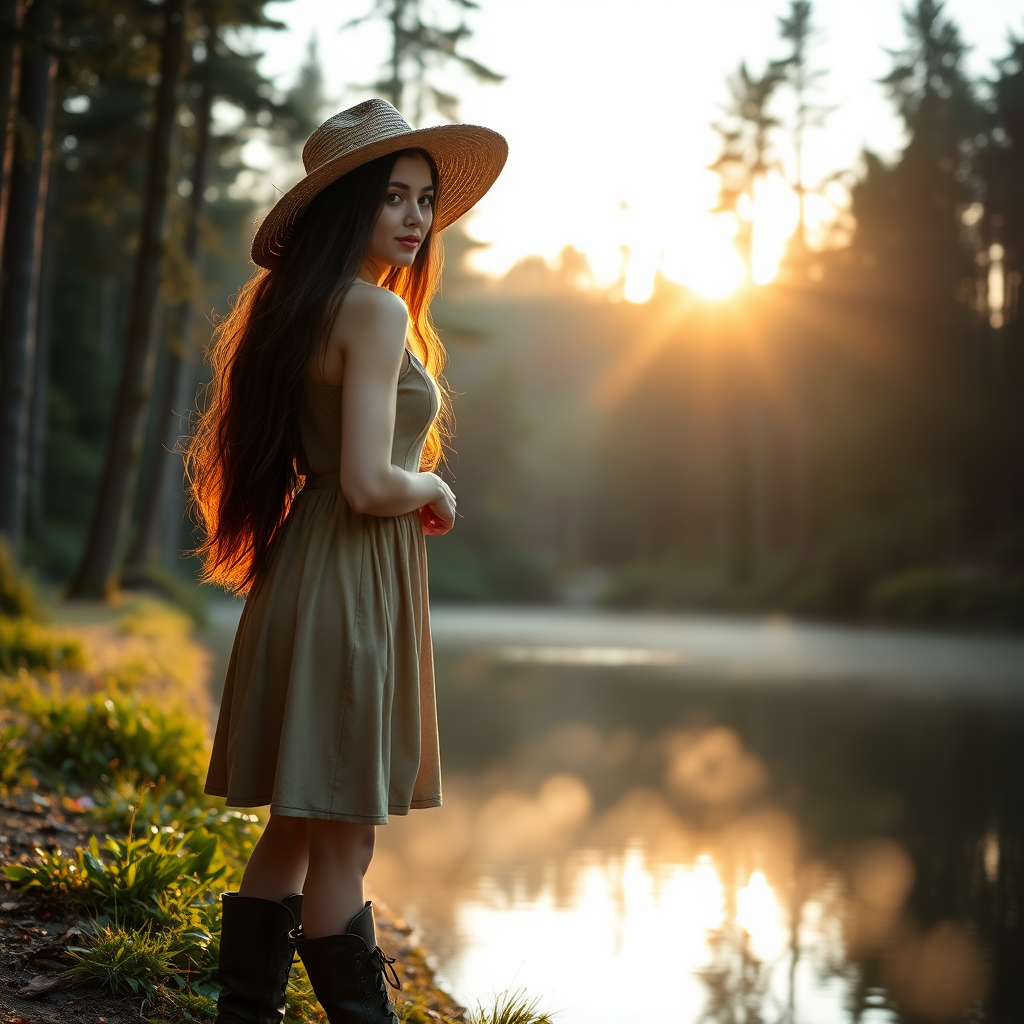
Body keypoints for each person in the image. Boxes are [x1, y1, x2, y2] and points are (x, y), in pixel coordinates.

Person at [186, 99, 507, 1024]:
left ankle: (244, 1010)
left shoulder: (304, 309)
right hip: (349, 577)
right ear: (346, 209)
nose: (414, 218)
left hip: (315, 571)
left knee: (297, 825)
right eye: (392, 198)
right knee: (344, 843)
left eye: (423, 199)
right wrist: (434, 490)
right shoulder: (370, 312)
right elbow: (370, 482)